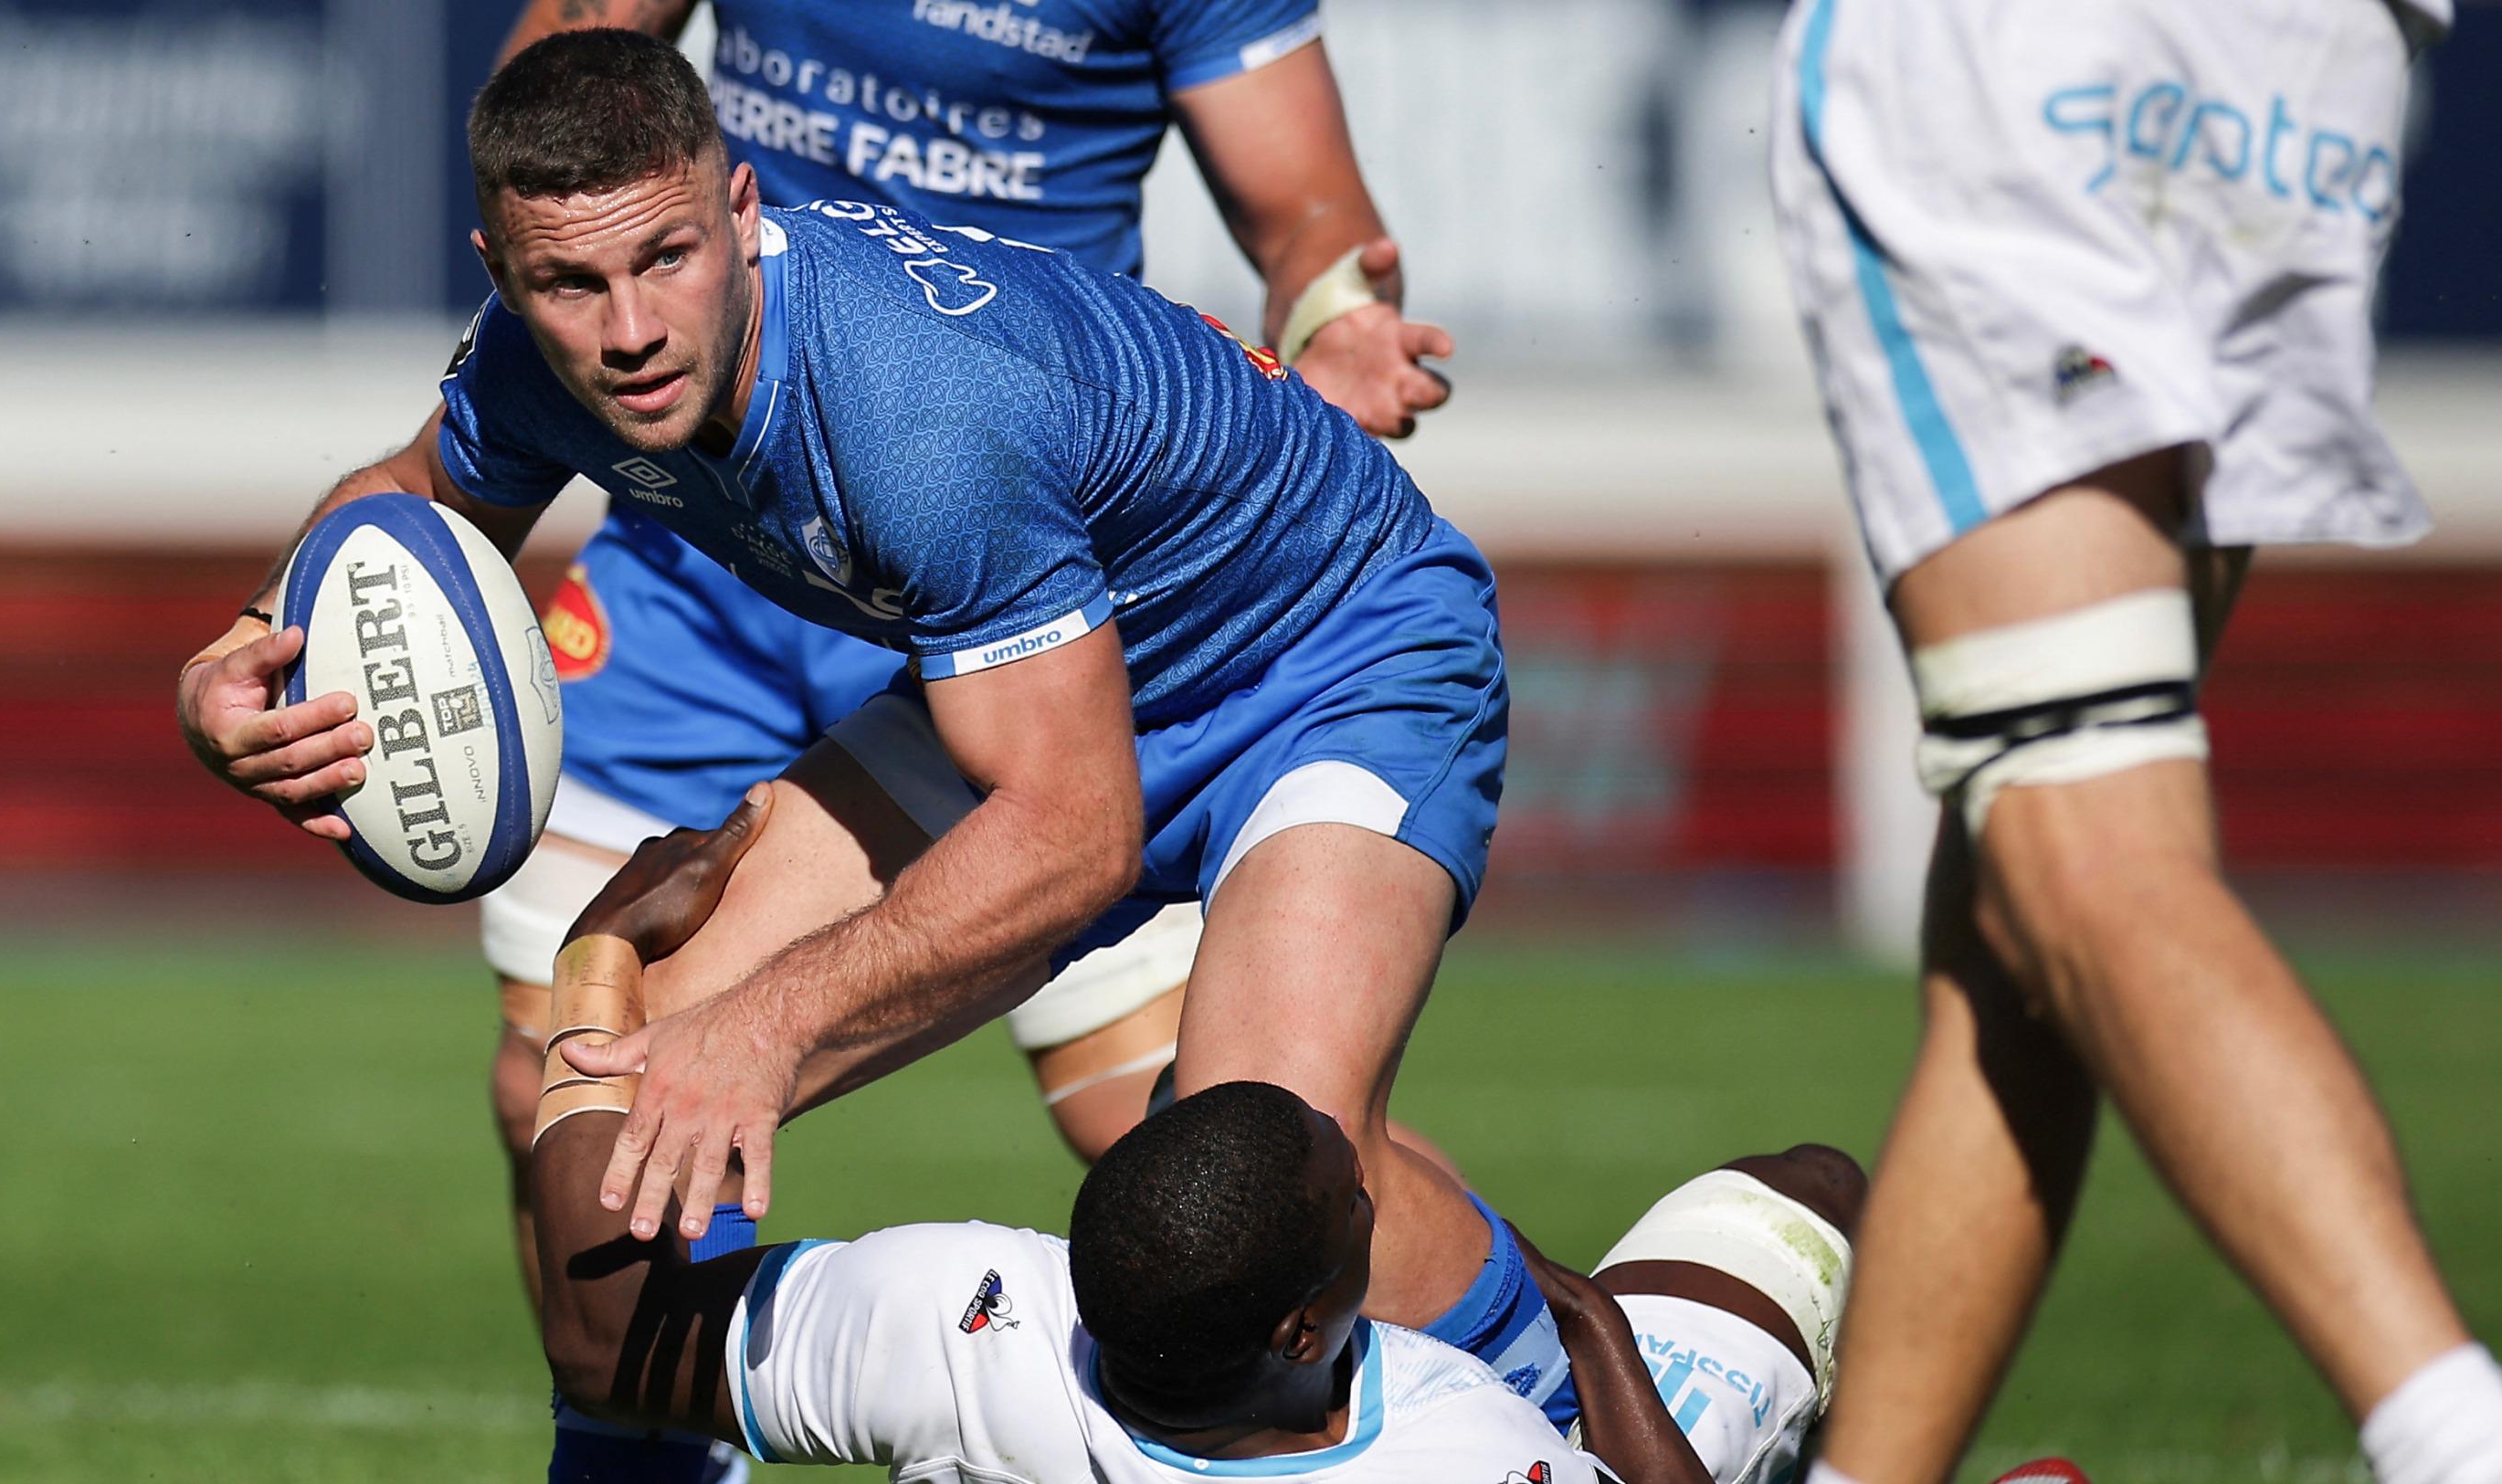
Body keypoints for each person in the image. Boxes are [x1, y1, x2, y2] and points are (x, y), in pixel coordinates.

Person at [177, 23, 1555, 1445]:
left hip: (1327, 649)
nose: (631, 328)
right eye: (569, 283)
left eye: (667, 259)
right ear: (501, 274)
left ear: (743, 206)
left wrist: (771, 1024)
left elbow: (1076, 835)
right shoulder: (542, 363)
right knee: (620, 1061)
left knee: (1257, 1178)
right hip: (1062, 671)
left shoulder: (914, 410)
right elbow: (416, 498)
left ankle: (1587, 1380)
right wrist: (241, 648)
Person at [472, 0, 1451, 1198]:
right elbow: (562, 94)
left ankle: (1509, 1352)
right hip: (709, 540)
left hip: (1000, 551)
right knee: (568, 1090)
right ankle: (650, 1395)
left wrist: (1330, 315)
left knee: (1207, 1157)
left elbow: (1304, 205)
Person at [1767, 0, 2502, 1480]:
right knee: (2026, 892)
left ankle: (2455, 1435)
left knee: (2074, 836)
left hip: (2031, 52)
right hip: (2308, 66)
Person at [528, 1075, 1866, 1484]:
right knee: (1813, 1184)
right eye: (1357, 1201)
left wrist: (594, 965)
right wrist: (1584, 1321)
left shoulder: (964, 1313)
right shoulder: (1465, 1449)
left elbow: (600, 1343)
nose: (1373, 1189)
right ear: (1301, 1325)